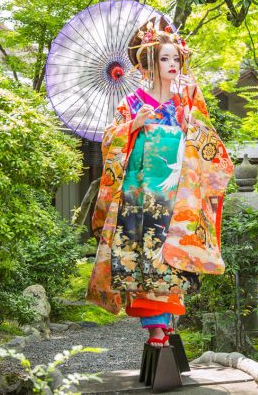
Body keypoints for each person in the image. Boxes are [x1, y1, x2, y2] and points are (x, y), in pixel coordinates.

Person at [86, 18, 234, 348]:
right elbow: (109, 142)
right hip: (141, 189)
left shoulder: (188, 100)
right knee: (143, 253)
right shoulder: (132, 102)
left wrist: (189, 125)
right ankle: (155, 326)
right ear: (148, 64)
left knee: (174, 254)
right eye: (164, 59)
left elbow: (209, 141)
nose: (171, 64)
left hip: (179, 188)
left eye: (175, 59)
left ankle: (166, 322)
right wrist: (133, 126)